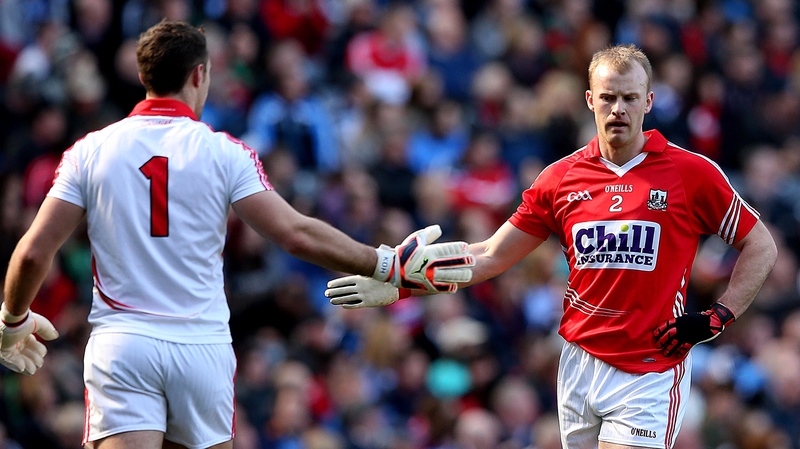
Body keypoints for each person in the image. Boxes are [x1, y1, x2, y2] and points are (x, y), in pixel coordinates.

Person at [0, 21, 474, 449]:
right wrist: (385, 265)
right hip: (201, 346)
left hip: (125, 341)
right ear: (200, 75)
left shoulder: (91, 150)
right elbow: (295, 234)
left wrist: (12, 322)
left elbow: (32, 254)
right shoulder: (224, 153)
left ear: (145, 77)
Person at [325, 44, 778, 449]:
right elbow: (489, 256)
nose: (618, 109)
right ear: (590, 101)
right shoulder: (560, 179)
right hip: (579, 363)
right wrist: (401, 278)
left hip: (650, 367)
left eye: (629, 98)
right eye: (607, 97)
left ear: (649, 102)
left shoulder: (691, 173)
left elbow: (760, 246)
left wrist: (719, 316)